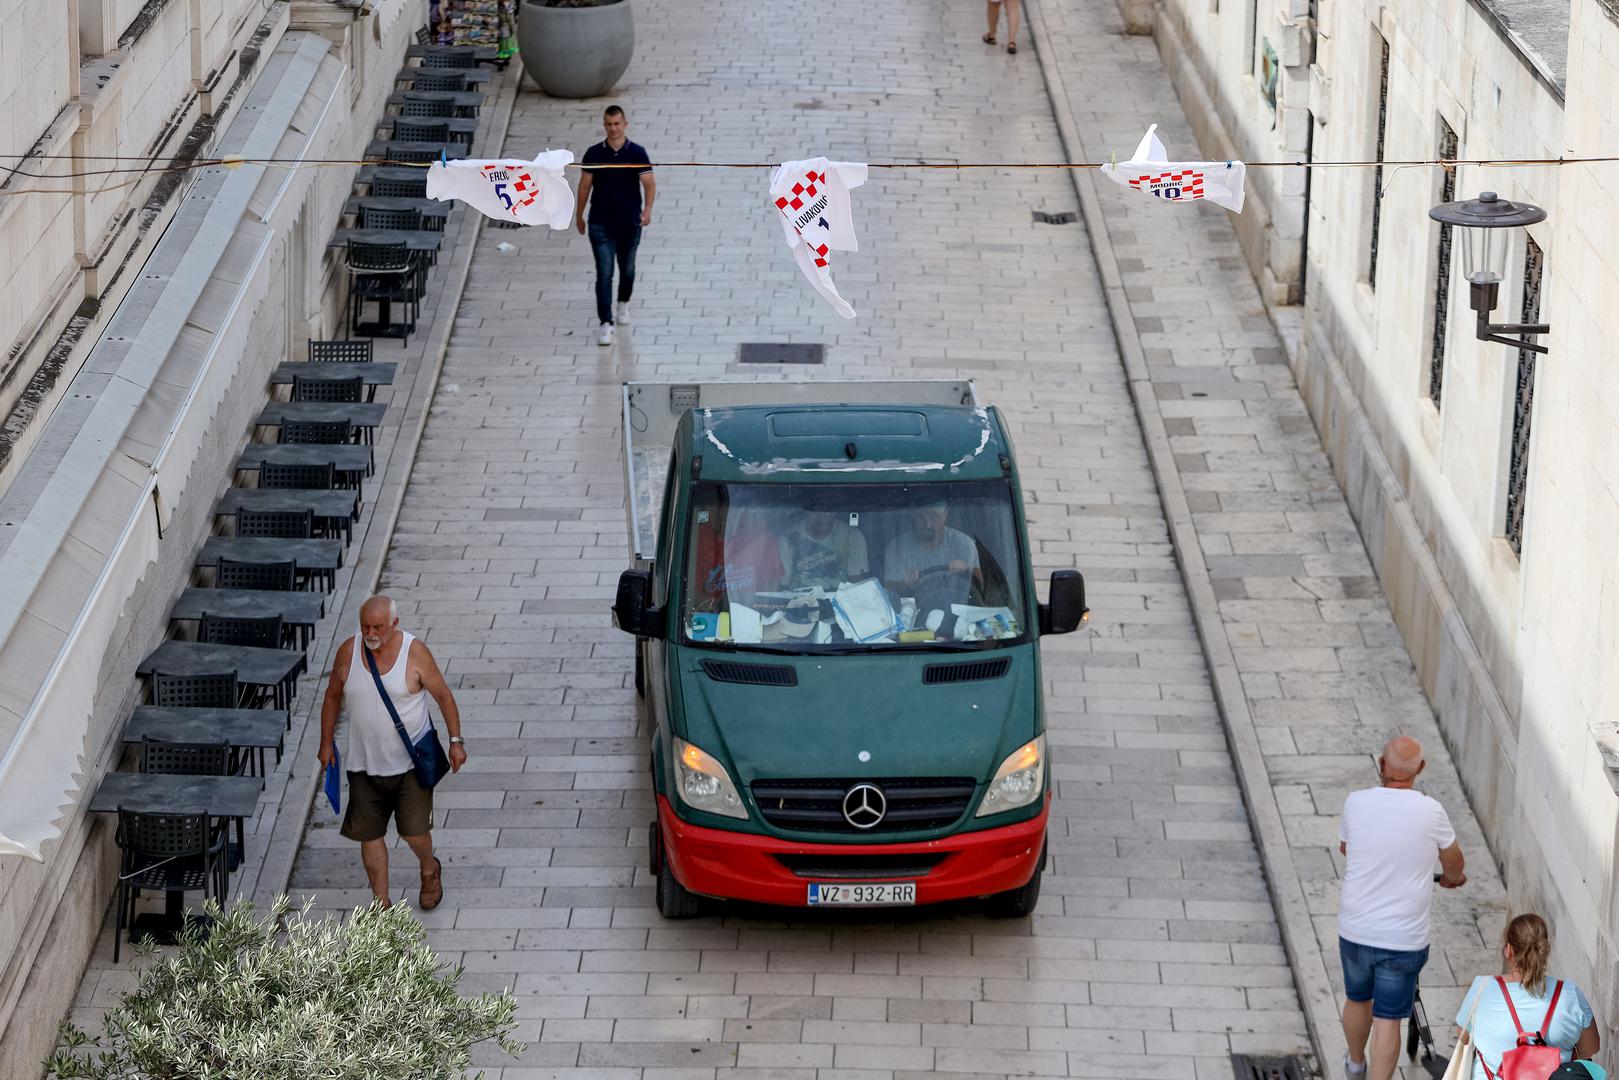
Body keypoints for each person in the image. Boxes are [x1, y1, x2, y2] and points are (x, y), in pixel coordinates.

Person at [319, 595, 467, 910]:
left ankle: (429, 868)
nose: (371, 633)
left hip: (410, 765)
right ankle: (381, 904)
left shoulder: (415, 654)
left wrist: (456, 741)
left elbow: (443, 695)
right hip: (364, 766)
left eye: (378, 626)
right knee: (369, 835)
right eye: (365, 626)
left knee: (414, 832)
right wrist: (326, 742)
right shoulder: (349, 651)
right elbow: (332, 696)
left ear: (394, 624)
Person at [1338, 735, 1466, 1080]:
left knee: (1357, 998)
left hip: (1356, 928)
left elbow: (1346, 847)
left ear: (1382, 765)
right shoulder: (1431, 810)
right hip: (1403, 938)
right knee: (1388, 1019)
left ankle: (1354, 1065)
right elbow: (1453, 861)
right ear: (1420, 769)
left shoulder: (1356, 802)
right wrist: (1453, 878)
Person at [1454, 914, 1599, 1080]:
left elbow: (1462, 1036)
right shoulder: (1570, 995)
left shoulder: (1482, 988)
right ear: (1546, 949)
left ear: (1508, 950)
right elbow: (1591, 1048)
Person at [575, 105, 655, 347]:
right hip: (600, 223)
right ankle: (605, 323)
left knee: (627, 269)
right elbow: (584, 185)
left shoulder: (637, 153)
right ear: (604, 125)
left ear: (625, 124)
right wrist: (579, 214)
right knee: (605, 273)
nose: (613, 128)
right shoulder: (593, 154)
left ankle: (623, 303)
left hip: (630, 223)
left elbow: (649, 183)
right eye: (609, 124)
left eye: (617, 124)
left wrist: (648, 209)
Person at [882, 501, 981, 609]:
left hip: (959, 613)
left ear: (945, 516)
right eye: (921, 517)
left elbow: (983, 587)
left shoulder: (964, 544)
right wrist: (905, 582)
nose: (927, 524)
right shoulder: (898, 547)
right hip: (914, 614)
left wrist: (967, 570)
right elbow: (888, 591)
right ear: (914, 517)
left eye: (933, 517)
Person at [779, 510, 870, 591]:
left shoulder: (852, 536)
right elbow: (783, 584)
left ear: (835, 512)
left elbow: (856, 585)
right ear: (806, 511)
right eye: (815, 510)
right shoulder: (788, 538)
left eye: (827, 511)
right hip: (798, 604)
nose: (821, 516)